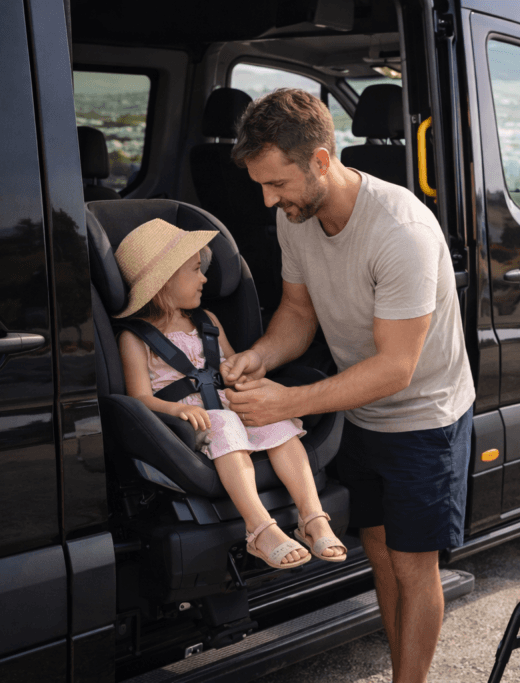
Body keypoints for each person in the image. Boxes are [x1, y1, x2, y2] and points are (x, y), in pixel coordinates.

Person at [219, 88, 475, 683]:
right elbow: (297, 312)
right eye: (261, 185)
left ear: (320, 160)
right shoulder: (296, 217)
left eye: (276, 183)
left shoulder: (401, 231)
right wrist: (258, 356)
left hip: (424, 419)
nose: (268, 199)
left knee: (414, 568)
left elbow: (395, 368)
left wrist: (286, 402)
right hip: (360, 412)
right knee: (381, 558)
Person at [114, 218, 346, 570]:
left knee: (274, 419)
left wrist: (242, 375)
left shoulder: (207, 320)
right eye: (195, 270)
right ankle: (260, 529)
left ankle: (312, 517)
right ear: (165, 280)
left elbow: (229, 363)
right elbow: (140, 399)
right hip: (191, 424)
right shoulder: (135, 339)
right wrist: (174, 411)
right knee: (224, 424)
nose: (205, 278)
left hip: (227, 405)